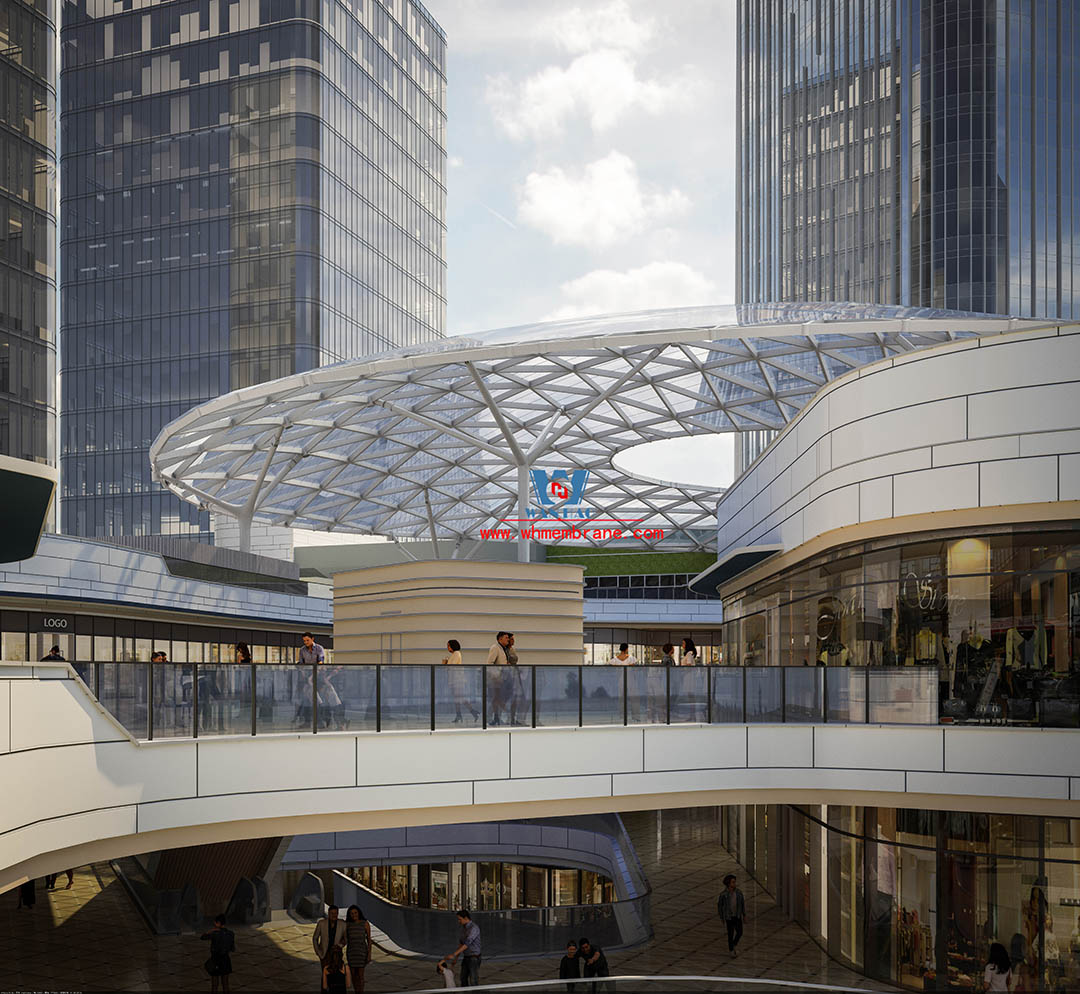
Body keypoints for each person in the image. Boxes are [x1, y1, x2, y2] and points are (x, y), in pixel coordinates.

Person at [443, 909, 482, 986]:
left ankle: (475, 991)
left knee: (473, 979)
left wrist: (454, 955)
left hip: (474, 957)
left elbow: (467, 944)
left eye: (460, 919)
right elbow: (461, 943)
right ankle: (465, 991)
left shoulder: (474, 928)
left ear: (466, 918)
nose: (459, 921)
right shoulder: (464, 928)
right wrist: (456, 958)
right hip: (467, 956)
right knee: (463, 978)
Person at [201, 913, 235, 993]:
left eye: (215, 923)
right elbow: (232, 948)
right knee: (225, 984)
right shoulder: (231, 933)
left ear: (218, 923)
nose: (214, 924)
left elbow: (202, 937)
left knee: (215, 985)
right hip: (226, 960)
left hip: (215, 960)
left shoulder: (214, 933)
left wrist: (211, 931)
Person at [344, 904, 371, 992]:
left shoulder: (365, 924)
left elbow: (369, 940)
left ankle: (361, 991)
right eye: (352, 913)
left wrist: (369, 954)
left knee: (360, 975)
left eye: (355, 913)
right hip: (351, 953)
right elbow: (345, 939)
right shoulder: (347, 925)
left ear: (359, 913)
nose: (354, 915)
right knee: (353, 975)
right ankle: (356, 991)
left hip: (362, 953)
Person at [718, 873, 746, 956]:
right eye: (733, 882)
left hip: (737, 916)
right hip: (729, 917)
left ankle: (734, 944)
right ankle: (731, 950)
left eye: (734, 882)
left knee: (740, 932)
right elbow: (720, 906)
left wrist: (744, 915)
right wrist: (722, 917)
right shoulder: (723, 895)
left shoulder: (739, 893)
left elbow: (742, 904)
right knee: (730, 934)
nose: (734, 884)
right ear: (728, 883)